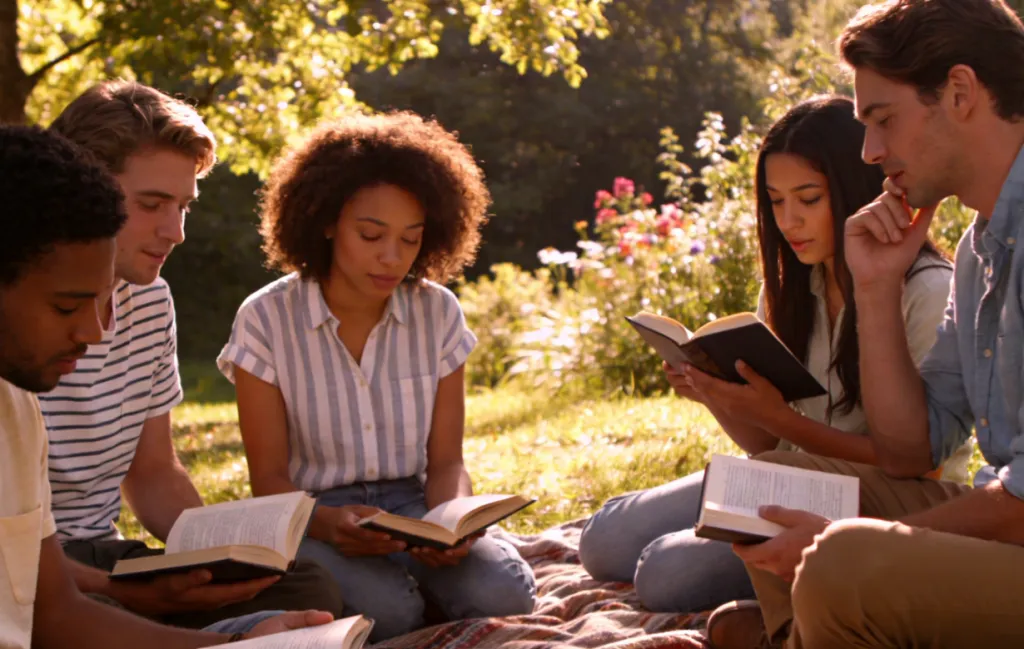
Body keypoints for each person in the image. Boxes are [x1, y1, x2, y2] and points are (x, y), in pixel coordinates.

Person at [705, 1, 1024, 648]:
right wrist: (875, 287)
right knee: (778, 488)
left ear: (960, 92)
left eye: (883, 121)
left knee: (840, 562)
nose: (872, 152)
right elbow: (911, 451)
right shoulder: (979, 252)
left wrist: (842, 542)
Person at [578, 95, 970, 614]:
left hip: (876, 496)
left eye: (808, 199)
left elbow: (918, 463)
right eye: (776, 200)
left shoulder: (925, 291)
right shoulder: (789, 290)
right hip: (781, 474)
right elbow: (768, 442)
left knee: (663, 575)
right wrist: (716, 393)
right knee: (600, 543)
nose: (789, 221)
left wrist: (781, 420)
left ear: (854, 189)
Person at [0, 124, 333, 648]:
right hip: (70, 572)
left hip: (85, 567)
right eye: (153, 203)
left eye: (184, 206)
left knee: (307, 586)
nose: (93, 332)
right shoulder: (21, 378)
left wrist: (221, 564)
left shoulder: (14, 403)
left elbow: (56, 604)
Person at [215, 112, 537, 641]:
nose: (392, 259)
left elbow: (448, 461)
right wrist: (324, 525)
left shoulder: (438, 312)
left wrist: (450, 518)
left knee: (503, 595)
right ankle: (418, 599)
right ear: (324, 221)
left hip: (414, 506)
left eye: (410, 240)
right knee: (390, 614)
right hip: (314, 514)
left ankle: (434, 588)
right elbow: (268, 481)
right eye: (371, 235)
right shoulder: (265, 319)